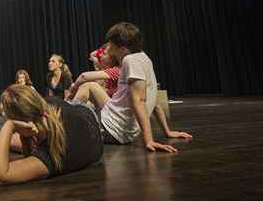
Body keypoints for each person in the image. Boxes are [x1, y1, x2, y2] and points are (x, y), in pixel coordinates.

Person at [71, 22, 192, 151]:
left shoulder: (130, 61)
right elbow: (154, 101)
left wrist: (149, 140)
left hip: (110, 128)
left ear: (122, 48)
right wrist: (167, 131)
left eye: (111, 46)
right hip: (119, 127)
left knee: (71, 119)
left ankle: (66, 122)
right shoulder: (144, 58)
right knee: (89, 87)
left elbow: (138, 101)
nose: (109, 49)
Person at [0, 85, 102, 185]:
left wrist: (9, 126)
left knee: (16, 143)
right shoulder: (50, 106)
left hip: (87, 122)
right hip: (84, 113)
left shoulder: (50, 155)